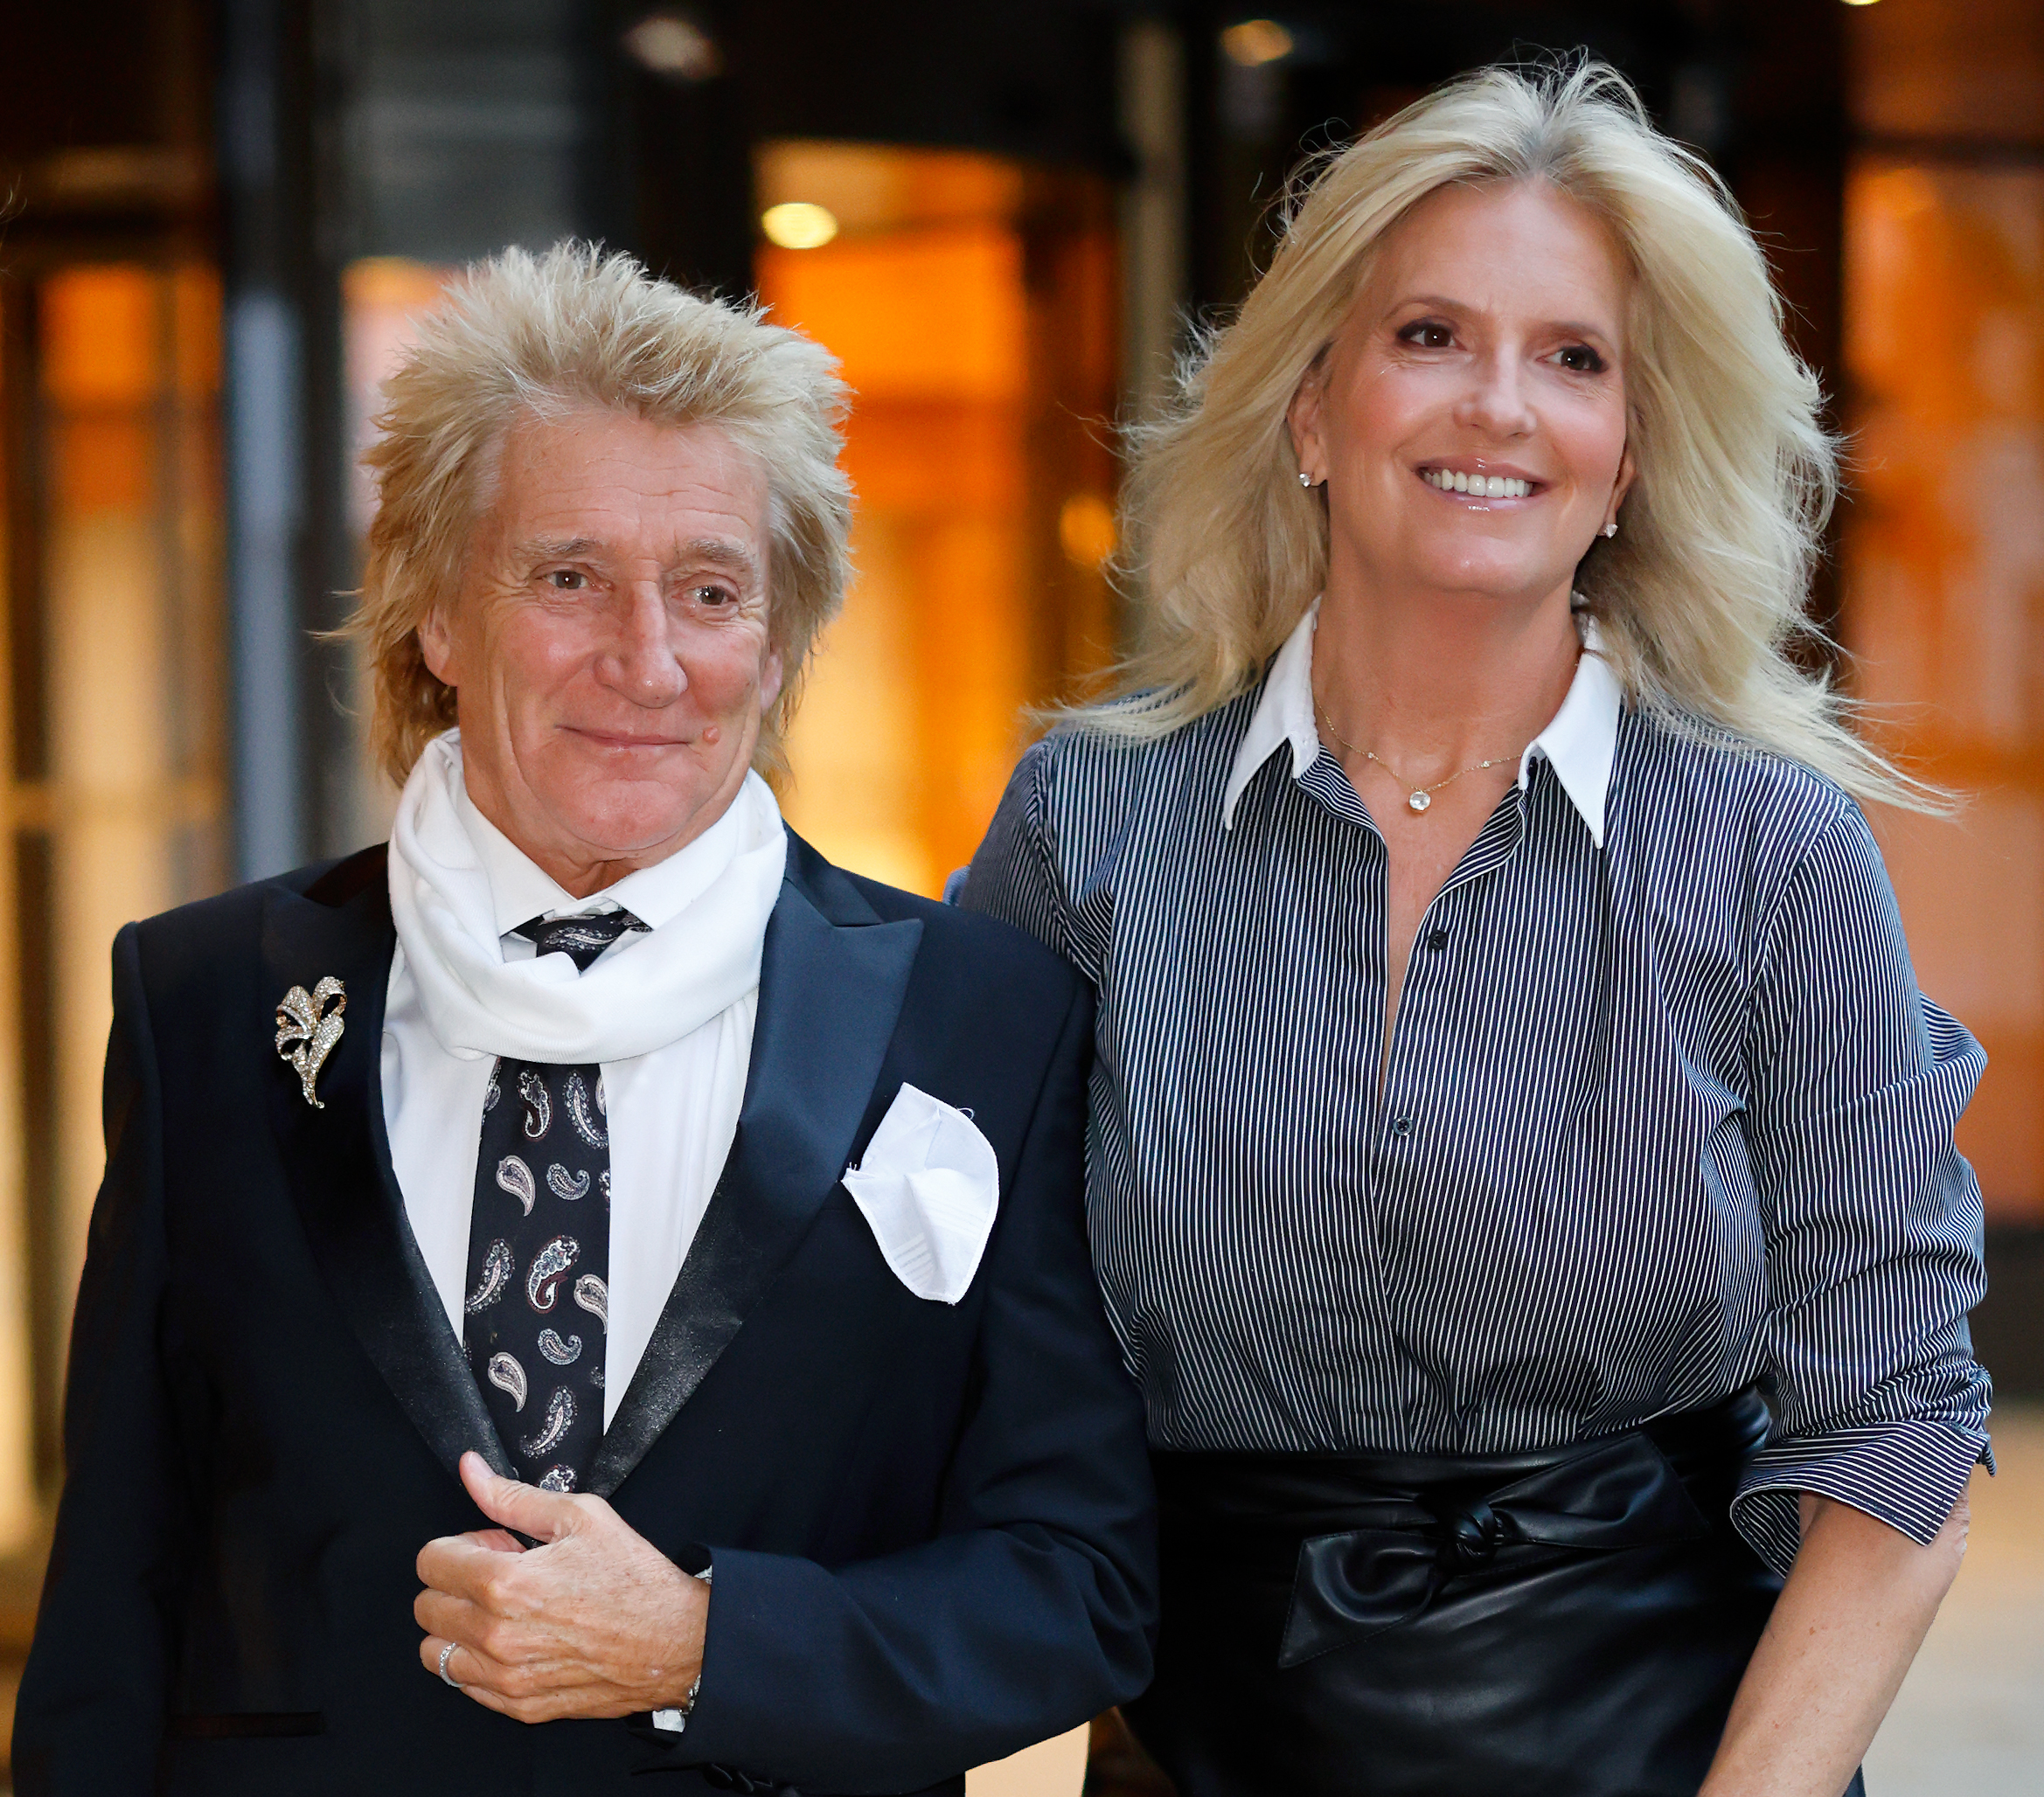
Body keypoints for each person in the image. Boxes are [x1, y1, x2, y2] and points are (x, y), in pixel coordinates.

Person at [963, 60, 1989, 1797]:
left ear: (1628, 456)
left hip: (1674, 1749)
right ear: (1309, 410)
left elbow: (1891, 1423)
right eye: (1428, 335)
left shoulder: (1772, 849)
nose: (1497, 405)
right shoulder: (1085, 827)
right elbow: (925, 1312)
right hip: (1204, 1748)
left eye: (1573, 357)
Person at [15, 242, 1155, 1797]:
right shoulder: (205, 996)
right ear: (435, 613)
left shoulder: (985, 1018)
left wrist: (706, 1644)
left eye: (710, 591)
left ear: (777, 642)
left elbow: (1075, 1587)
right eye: (567, 578)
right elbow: (115, 1587)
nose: (648, 660)